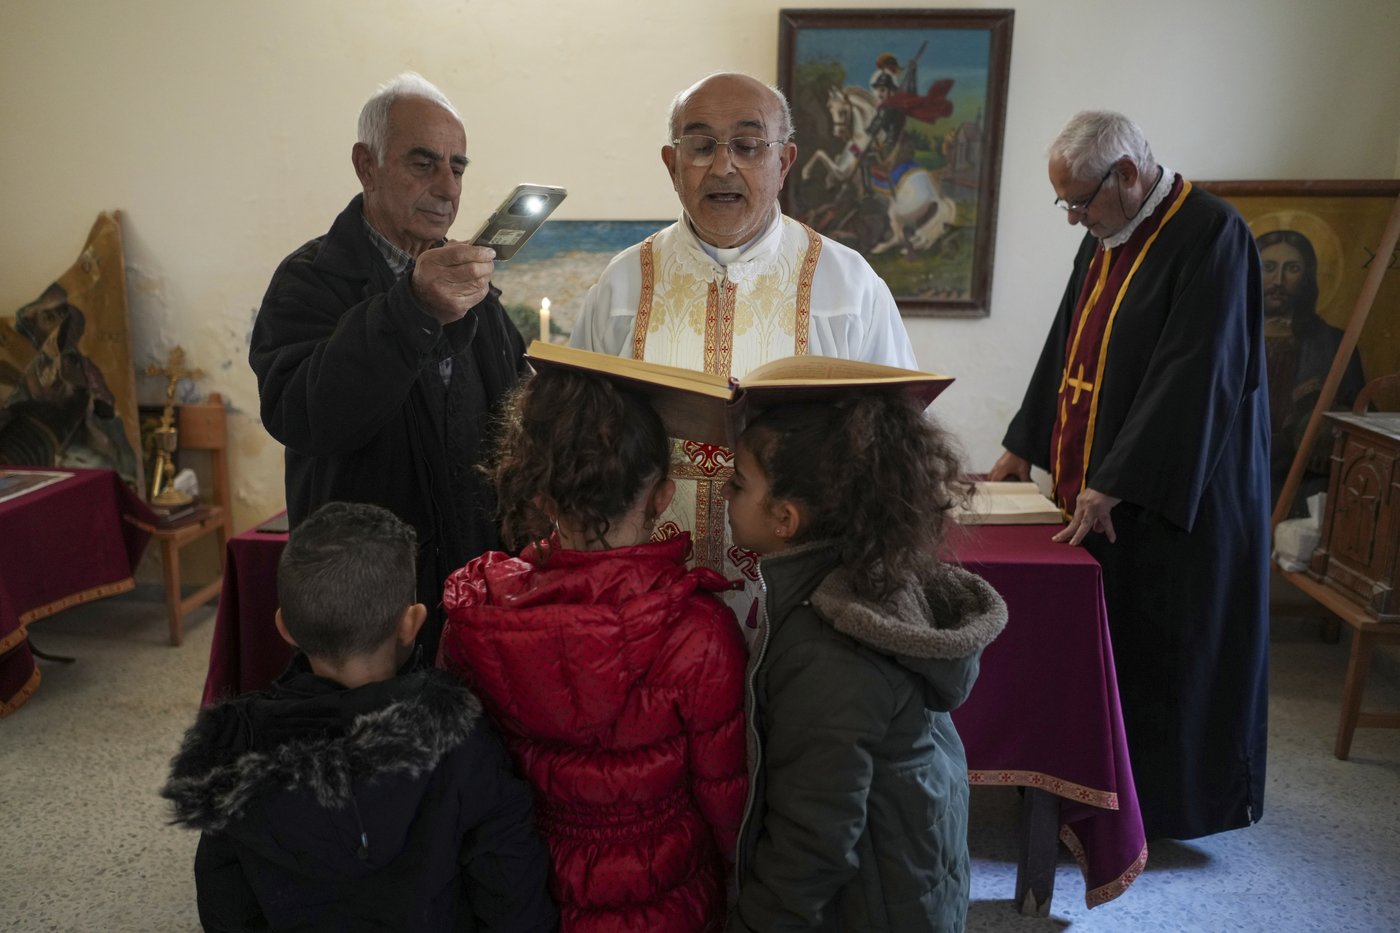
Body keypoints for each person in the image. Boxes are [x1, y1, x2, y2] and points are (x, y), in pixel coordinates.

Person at [989, 110, 1271, 841]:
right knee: (1103, 650)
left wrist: (1118, 476)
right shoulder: (1107, 234)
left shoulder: (1212, 234)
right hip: (1102, 490)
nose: (1073, 218)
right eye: (1066, 205)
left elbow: (1196, 373)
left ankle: (1163, 812)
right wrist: (1022, 443)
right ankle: (1083, 794)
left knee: (1165, 657)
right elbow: (1067, 342)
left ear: (1127, 174)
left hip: (1178, 497)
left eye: (1079, 201)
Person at [570, 71, 916, 638]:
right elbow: (578, 441)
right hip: (647, 607)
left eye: (749, 146)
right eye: (701, 146)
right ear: (671, 162)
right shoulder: (623, 285)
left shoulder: (848, 286)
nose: (723, 167)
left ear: (785, 161)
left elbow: (891, 453)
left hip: (805, 610)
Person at [437, 367, 749, 932]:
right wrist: (734, 879)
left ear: (541, 495)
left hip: (529, 889)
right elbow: (724, 798)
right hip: (667, 894)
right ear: (662, 496)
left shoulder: (478, 618)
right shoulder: (700, 632)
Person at [161, 501, 557, 932]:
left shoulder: (234, 751)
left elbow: (224, 906)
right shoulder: (460, 739)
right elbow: (512, 890)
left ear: (284, 628)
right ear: (412, 623)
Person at [249, 72, 527, 658]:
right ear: (366, 165)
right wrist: (413, 309)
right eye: (423, 164)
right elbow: (307, 416)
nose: (448, 187)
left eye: (458, 166)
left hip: (472, 583)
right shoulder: (310, 281)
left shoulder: (476, 292)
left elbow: (514, 421)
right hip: (362, 599)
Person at [722, 392, 1007, 932]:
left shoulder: (825, 650)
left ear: (785, 518)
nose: (724, 495)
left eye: (738, 484)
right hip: (905, 877)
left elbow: (814, 836)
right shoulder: (873, 578)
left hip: (872, 904)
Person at [1257, 228, 1366, 514]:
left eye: (1291, 269)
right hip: (1235, 471)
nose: (1278, 281)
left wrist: (1321, 415)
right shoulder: (1227, 337)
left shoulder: (1332, 343)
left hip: (1300, 484)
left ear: (1307, 277)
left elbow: (1361, 419)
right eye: (1268, 267)